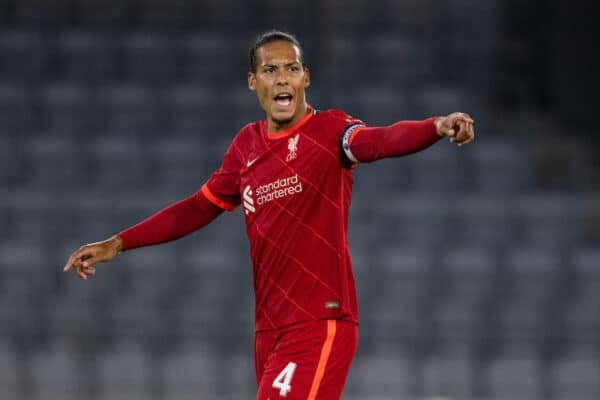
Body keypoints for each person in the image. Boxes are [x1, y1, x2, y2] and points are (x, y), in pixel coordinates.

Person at [64, 30, 475, 400]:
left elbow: (379, 141)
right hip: (269, 331)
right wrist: (119, 242)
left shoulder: (330, 132)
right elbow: (197, 208)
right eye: (271, 69)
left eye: (291, 68)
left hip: (319, 320)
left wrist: (436, 126)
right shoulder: (247, 145)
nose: (282, 78)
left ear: (305, 78)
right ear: (253, 81)